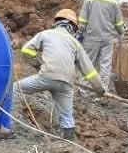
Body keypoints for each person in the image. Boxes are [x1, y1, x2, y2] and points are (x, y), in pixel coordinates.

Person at [15, 9, 106, 141]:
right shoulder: (75, 43)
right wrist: (99, 89)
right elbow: (89, 70)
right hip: (66, 83)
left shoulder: (45, 34)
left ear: (57, 23)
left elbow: (26, 50)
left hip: (45, 77)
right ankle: (69, 143)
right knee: (67, 116)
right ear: (73, 27)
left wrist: (37, 64)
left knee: (15, 89)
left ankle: (11, 120)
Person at [78, 0, 124, 94]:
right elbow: (119, 22)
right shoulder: (114, 0)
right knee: (105, 64)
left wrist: (80, 33)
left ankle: (84, 89)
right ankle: (103, 90)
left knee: (88, 63)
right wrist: (121, 34)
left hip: (91, 37)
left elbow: (82, 20)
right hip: (107, 38)